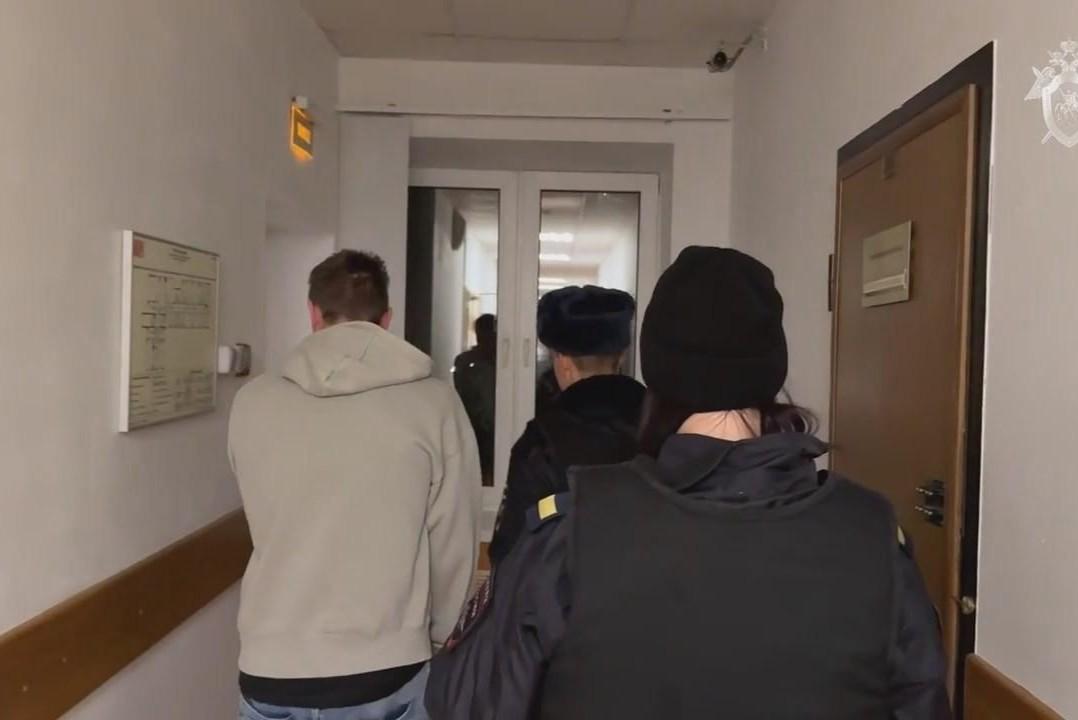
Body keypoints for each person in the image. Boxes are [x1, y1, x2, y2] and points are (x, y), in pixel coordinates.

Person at [425, 247, 951, 720]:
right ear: (771, 370)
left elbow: (466, 702)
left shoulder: (569, 536)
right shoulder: (873, 536)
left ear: (658, 370)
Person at [229, 250, 481, 720]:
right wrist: (433, 638)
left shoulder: (252, 401)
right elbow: (453, 542)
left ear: (313, 313)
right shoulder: (434, 405)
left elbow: (262, 513)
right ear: (386, 319)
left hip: (271, 664)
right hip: (386, 666)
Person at [487, 285, 644, 566]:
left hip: (566, 590)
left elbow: (510, 548)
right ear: (621, 356)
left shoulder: (542, 439)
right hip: (656, 588)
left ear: (563, 360)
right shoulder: (660, 425)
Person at [453, 314, 497, 485]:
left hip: (496, 427)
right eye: (482, 334)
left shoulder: (503, 364)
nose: (486, 339)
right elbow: (461, 392)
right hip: (475, 426)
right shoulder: (466, 362)